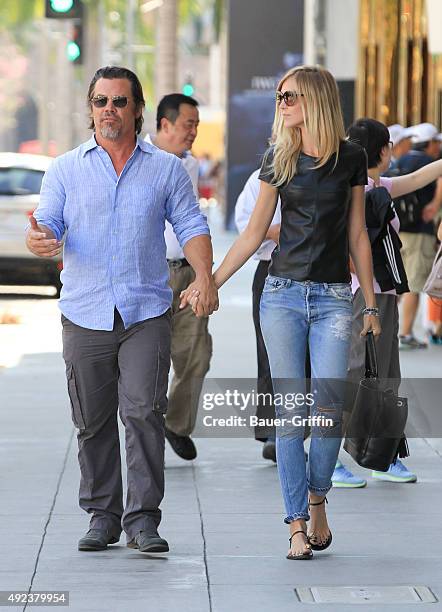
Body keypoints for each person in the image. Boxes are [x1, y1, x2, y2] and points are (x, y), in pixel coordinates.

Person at [183, 65, 381, 560]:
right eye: (278, 96)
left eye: (290, 95)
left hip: (335, 298)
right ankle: (296, 523)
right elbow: (251, 235)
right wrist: (208, 281)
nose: (282, 103)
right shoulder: (279, 157)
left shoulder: (351, 158)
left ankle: (317, 498)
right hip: (282, 297)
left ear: (314, 99)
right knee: (293, 417)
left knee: (330, 413)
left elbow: (358, 233)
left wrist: (371, 303)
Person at [25, 66, 218, 554]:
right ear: (91, 109)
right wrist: (38, 238)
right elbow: (45, 222)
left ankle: (143, 520)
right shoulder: (65, 168)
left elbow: (192, 225)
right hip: (84, 311)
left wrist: (204, 276)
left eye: (119, 101)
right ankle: (103, 515)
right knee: (92, 420)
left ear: (137, 110)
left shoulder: (166, 169)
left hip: (145, 313)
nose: (109, 110)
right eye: (100, 102)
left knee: (143, 414)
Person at [335, 118, 442, 486]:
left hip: (382, 294)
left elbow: (416, 179)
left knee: (385, 375)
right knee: (355, 373)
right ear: (384, 150)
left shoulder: (375, 186)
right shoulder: (358, 190)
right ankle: (332, 456)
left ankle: (385, 453)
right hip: (363, 295)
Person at [146, 93, 212, 461]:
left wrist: (206, 274)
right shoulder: (136, 159)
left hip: (186, 275)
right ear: (165, 124)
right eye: (189, 125)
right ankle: (147, 429)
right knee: (148, 358)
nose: (193, 132)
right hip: (150, 275)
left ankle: (175, 422)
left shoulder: (191, 164)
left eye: (197, 126)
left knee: (196, 354)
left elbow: (191, 222)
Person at [235, 168, 281, 462]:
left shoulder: (327, 168)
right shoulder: (262, 176)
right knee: (269, 355)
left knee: (308, 361)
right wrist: (274, 230)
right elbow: (247, 226)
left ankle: (293, 433)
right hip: (271, 267)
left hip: (316, 270)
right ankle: (274, 432)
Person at [394, 123, 442, 349]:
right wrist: (434, 205)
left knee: (395, 281)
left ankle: (391, 327)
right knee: (413, 282)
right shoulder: (430, 164)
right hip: (419, 231)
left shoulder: (401, 160)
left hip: (396, 230)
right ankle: (405, 334)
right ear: (431, 143)